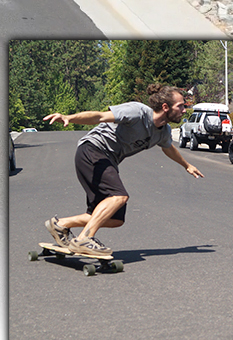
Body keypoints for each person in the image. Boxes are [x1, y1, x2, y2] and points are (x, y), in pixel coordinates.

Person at [42, 84, 204, 258]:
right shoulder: (137, 112)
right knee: (118, 196)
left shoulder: (163, 131)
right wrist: (69, 117)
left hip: (107, 160)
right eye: (181, 106)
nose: (184, 110)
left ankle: (60, 224)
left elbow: (168, 148)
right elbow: (99, 116)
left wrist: (187, 165)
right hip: (93, 150)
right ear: (166, 107)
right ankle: (84, 239)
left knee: (115, 219)